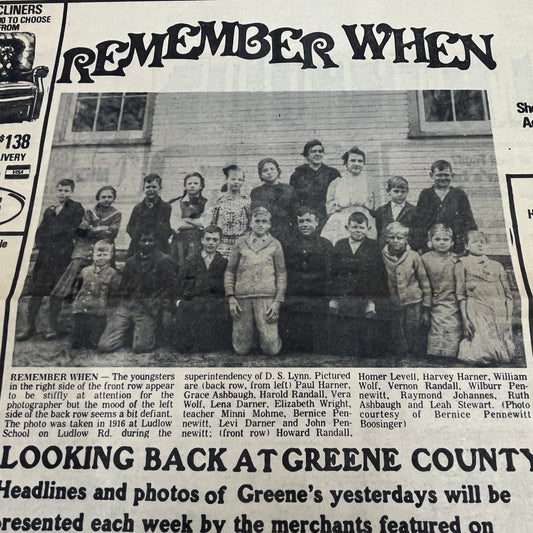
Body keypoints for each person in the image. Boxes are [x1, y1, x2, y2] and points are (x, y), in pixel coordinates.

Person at [46, 185, 122, 339]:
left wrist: (94, 229)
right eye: (103, 197)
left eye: (110, 197)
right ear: (98, 197)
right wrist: (99, 229)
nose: (106, 200)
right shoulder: (88, 212)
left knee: (106, 289)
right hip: (82, 253)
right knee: (62, 288)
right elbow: (82, 230)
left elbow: (111, 232)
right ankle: (52, 327)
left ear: (113, 198)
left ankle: (102, 330)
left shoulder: (117, 214)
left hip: (103, 254)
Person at [16, 179, 84, 341]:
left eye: (66, 191)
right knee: (37, 291)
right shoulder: (50, 210)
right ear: (57, 191)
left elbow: (70, 229)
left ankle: (52, 326)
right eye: (60, 190)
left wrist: (52, 236)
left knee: (56, 292)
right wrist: (42, 243)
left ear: (71, 192)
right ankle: (29, 326)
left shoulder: (76, 208)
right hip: (45, 257)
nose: (63, 194)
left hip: (62, 256)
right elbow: (40, 231)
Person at [98, 232, 177, 353]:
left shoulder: (164, 260)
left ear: (155, 242)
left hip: (148, 307)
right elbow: (123, 286)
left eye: (150, 240)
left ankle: (147, 332)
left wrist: (161, 307)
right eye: (144, 240)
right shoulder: (131, 261)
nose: (147, 244)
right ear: (137, 242)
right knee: (105, 345)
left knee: (141, 347)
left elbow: (171, 287)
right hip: (127, 305)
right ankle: (128, 333)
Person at [224, 207, 286, 356]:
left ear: (269, 225)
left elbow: (282, 273)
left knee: (271, 350)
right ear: (250, 223)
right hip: (242, 298)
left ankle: (264, 338)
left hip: (266, 298)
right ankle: (250, 338)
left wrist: (277, 302)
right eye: (257, 221)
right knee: (241, 349)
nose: (260, 224)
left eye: (264, 221)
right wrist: (231, 297)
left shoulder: (275, 244)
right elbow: (230, 271)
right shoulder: (240, 243)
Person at [328, 212, 388, 357]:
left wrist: (371, 302)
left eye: (361, 227)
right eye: (354, 227)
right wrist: (334, 298)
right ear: (347, 227)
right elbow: (334, 273)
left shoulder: (373, 246)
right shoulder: (340, 245)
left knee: (366, 340)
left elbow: (378, 276)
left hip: (364, 297)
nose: (358, 230)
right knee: (344, 337)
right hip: (345, 297)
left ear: (367, 228)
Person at [455, 230, 515, 365]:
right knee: (479, 354)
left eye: (482, 242)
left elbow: (508, 295)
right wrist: (465, 320)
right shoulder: (462, 263)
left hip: (497, 309)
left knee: (504, 356)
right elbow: (460, 294)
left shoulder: (497, 265)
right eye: (475, 242)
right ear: (466, 246)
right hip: (476, 308)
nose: (479, 244)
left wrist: (508, 318)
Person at [281, 207, 333, 353]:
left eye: (308, 221)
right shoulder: (290, 244)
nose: (304, 225)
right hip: (296, 290)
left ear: (317, 223)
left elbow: (329, 272)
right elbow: (286, 269)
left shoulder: (325, 244)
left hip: (317, 292)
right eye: (301, 221)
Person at [174, 226, 231, 352]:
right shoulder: (190, 260)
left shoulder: (223, 262)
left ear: (219, 241)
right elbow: (180, 282)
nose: (211, 243)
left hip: (213, 305)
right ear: (202, 240)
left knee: (209, 346)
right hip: (193, 303)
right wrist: (179, 302)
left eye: (215, 240)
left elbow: (226, 286)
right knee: (183, 347)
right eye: (208, 239)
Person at [382, 222, 432, 359]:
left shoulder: (414, 256)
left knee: (413, 328)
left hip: (414, 300)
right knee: (397, 329)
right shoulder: (382, 256)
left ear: (406, 239)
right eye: (392, 237)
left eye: (400, 238)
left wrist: (427, 305)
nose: (396, 241)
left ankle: (413, 356)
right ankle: (401, 355)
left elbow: (424, 281)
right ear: (387, 238)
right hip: (394, 300)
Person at [412, 160, 477, 253]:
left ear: (452, 175)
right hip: (431, 246)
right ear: (431, 175)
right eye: (439, 175)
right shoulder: (425, 194)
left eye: (446, 175)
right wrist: (419, 245)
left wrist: (470, 244)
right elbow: (418, 222)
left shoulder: (459, 194)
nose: (443, 178)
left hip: (456, 246)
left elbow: (469, 222)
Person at [421, 224, 462, 360]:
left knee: (452, 324)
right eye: (437, 239)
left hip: (451, 301)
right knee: (435, 326)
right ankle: (434, 353)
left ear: (452, 242)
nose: (442, 242)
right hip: (432, 300)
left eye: (445, 239)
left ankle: (450, 353)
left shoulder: (456, 260)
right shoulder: (425, 259)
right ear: (430, 242)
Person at [321, 146, 377, 245]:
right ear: (346, 163)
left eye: (360, 161)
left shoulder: (370, 182)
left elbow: (376, 207)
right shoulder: (336, 183)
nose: (356, 164)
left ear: (364, 163)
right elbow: (329, 209)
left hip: (363, 221)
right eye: (353, 160)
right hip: (341, 222)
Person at [71, 240, 121, 349]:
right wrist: (77, 300)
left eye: (105, 255)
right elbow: (78, 287)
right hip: (82, 306)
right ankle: (79, 342)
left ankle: (92, 341)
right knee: (78, 332)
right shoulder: (85, 271)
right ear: (93, 255)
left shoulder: (112, 273)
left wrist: (109, 309)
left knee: (95, 338)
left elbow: (114, 293)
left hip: (98, 309)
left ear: (111, 256)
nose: (101, 257)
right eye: (98, 255)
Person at [289, 139, 341, 227]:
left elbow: (338, 197)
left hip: (326, 217)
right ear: (307, 155)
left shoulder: (333, 173)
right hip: (305, 218)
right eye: (313, 151)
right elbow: (294, 200)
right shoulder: (298, 175)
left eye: (320, 151)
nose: (317, 154)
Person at [250, 158, 297, 247]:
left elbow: (294, 215)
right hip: (264, 231)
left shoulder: (289, 190)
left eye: (272, 169)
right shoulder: (256, 192)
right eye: (265, 170)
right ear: (261, 175)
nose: (269, 172)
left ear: (278, 171)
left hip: (285, 232)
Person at [126, 173, 172, 257]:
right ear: (143, 189)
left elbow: (167, 227)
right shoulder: (138, 208)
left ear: (160, 188)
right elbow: (130, 227)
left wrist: (158, 237)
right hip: (139, 245)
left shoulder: (165, 207)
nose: (151, 190)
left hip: (159, 244)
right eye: (148, 187)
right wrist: (139, 238)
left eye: (154, 187)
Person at [210, 164, 250, 258]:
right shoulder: (219, 200)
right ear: (226, 180)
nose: (236, 182)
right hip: (222, 243)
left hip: (240, 243)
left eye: (240, 180)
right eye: (233, 179)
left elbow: (250, 223)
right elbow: (213, 222)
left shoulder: (246, 201)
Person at [169, 172, 208, 267]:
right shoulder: (177, 203)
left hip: (198, 243)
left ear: (201, 186)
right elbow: (176, 224)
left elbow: (206, 223)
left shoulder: (206, 203)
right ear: (185, 186)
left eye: (196, 183)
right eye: (189, 183)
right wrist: (197, 224)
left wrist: (187, 220)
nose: (192, 186)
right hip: (179, 244)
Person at [375, 176, 417, 249]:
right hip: (384, 251)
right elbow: (378, 233)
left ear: (407, 192)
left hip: (407, 251)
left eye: (403, 191)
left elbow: (417, 234)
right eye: (396, 191)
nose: (400, 194)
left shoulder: (414, 211)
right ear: (388, 191)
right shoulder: (381, 210)